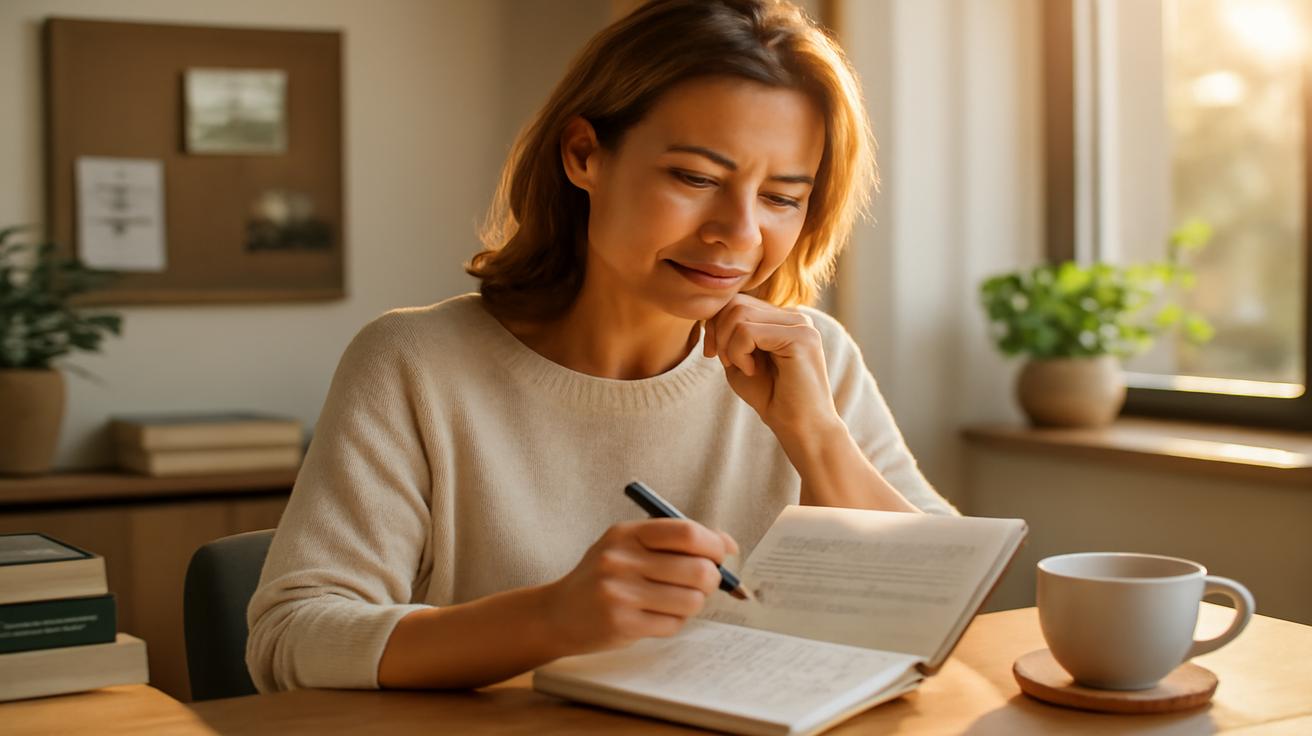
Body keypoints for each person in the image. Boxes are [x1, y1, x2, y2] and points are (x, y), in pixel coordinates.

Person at [246, 0, 957, 694]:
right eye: (696, 178)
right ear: (584, 154)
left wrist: (816, 434)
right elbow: (291, 637)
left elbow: (952, 598)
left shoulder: (810, 356)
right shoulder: (415, 363)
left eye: (781, 197)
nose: (739, 234)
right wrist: (552, 619)